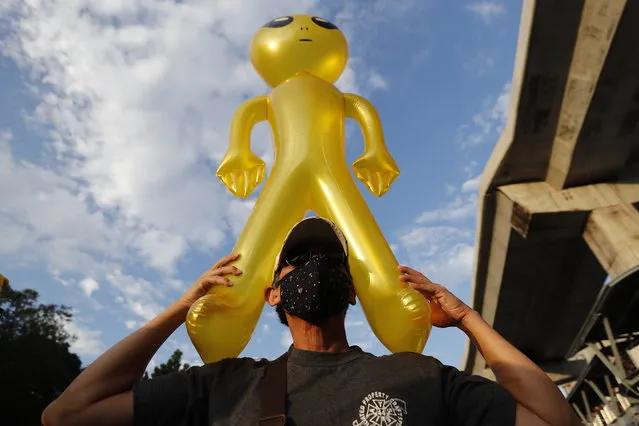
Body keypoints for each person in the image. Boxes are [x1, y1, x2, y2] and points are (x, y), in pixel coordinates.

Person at [42, 217, 580, 426]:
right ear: (273, 294)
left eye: (333, 264)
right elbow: (67, 414)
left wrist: (467, 319)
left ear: (351, 292)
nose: (316, 269)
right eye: (298, 263)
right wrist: (179, 310)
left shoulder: (421, 377)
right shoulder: (225, 386)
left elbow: (556, 423)